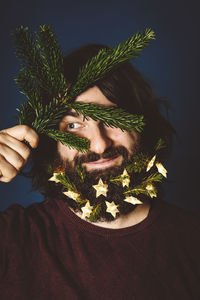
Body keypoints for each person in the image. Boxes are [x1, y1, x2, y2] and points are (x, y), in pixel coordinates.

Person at [0, 44, 200, 299]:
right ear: (51, 143)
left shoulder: (193, 241)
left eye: (114, 118)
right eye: (73, 125)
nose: (99, 144)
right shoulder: (12, 239)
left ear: (142, 125)